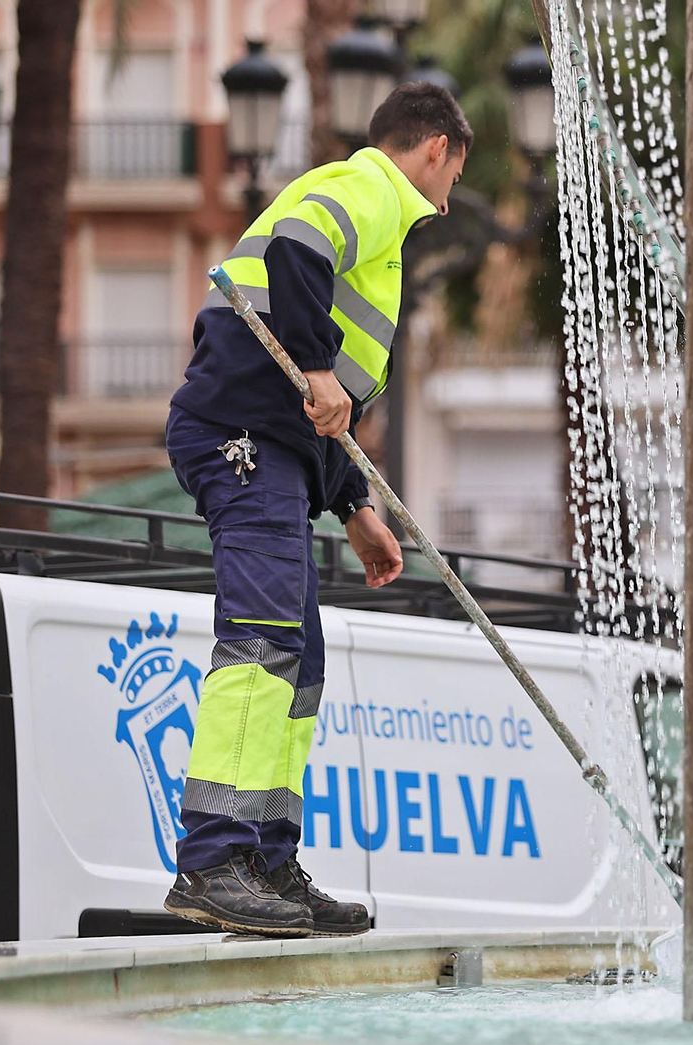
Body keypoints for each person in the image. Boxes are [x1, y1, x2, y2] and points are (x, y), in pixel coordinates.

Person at [161, 83, 471, 937]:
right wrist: (316, 363)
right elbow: (297, 253)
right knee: (264, 640)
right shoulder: (370, 184)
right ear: (437, 148)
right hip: (241, 435)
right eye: (453, 173)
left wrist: (355, 505)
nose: (448, 199)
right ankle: (214, 858)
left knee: (298, 662)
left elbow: (319, 411)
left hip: (280, 451)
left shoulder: (379, 216)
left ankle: (265, 857)